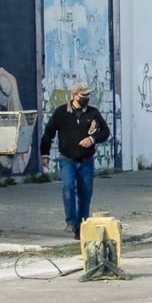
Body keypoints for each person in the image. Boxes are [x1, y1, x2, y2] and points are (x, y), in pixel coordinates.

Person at [40, 81, 111, 238]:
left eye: (88, 94)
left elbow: (105, 132)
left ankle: (82, 226)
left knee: (85, 193)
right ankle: (71, 221)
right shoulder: (61, 112)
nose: (87, 97)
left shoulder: (93, 113)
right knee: (68, 187)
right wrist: (45, 154)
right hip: (67, 159)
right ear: (75, 95)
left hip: (86, 160)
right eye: (84, 95)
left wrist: (92, 139)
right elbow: (48, 133)